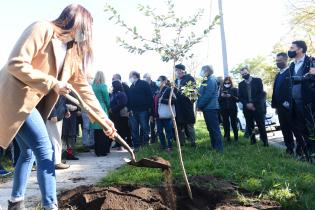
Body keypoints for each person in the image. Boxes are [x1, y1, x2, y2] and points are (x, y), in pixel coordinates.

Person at [0, 4, 116, 209]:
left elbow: (84, 90)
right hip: (16, 99)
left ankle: (15, 202)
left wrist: (104, 119)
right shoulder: (42, 29)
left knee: (27, 153)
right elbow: (16, 63)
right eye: (86, 29)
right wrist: (52, 83)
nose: (87, 35)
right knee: (46, 151)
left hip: (33, 104)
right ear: (75, 22)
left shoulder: (72, 52)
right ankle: (50, 205)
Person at [271, 52, 303, 155]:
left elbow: (292, 90)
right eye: (277, 61)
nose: (278, 62)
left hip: (290, 106)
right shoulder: (278, 75)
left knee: (295, 128)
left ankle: (302, 149)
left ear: (286, 60)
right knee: (285, 129)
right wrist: (275, 105)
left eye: (280, 60)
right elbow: (276, 91)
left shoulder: (290, 72)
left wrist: (288, 103)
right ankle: (289, 149)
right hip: (280, 108)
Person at [287, 40, 314, 157]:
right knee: (300, 129)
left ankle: (313, 153)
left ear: (300, 49)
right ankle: (305, 154)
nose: (290, 50)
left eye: (292, 48)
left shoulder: (311, 61)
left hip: (309, 103)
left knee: (311, 129)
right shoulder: (292, 65)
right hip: (294, 104)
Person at [238, 67, 268, 146]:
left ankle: (265, 142)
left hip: (257, 107)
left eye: (245, 73)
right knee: (250, 125)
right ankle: (253, 141)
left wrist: (252, 103)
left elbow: (261, 93)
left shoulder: (258, 81)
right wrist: (247, 104)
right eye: (243, 74)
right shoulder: (240, 84)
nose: (244, 75)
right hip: (247, 108)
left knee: (261, 125)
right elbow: (240, 97)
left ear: (249, 72)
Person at [197, 65, 223, 152]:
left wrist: (199, 105)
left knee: (214, 129)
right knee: (211, 128)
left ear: (207, 71)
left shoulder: (211, 80)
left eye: (202, 70)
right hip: (207, 108)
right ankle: (214, 147)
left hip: (211, 108)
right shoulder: (206, 80)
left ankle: (219, 149)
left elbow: (208, 95)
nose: (201, 72)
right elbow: (201, 93)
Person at [128, 71, 153, 151]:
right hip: (133, 111)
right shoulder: (131, 86)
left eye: (130, 76)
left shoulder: (144, 84)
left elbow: (150, 97)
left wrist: (149, 109)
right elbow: (129, 99)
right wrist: (129, 109)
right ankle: (136, 146)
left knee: (144, 128)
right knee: (134, 129)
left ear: (135, 76)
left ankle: (145, 146)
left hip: (143, 111)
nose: (129, 78)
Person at [174, 64, 196, 147]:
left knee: (190, 125)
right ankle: (182, 143)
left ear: (182, 70)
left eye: (178, 70)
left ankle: (193, 142)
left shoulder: (189, 78)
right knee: (180, 125)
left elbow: (193, 92)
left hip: (187, 105)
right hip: (178, 107)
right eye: (176, 70)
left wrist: (189, 100)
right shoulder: (175, 81)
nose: (177, 72)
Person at [90, 71, 112, 156]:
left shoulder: (92, 86)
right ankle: (103, 150)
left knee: (96, 131)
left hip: (94, 108)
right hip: (102, 108)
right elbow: (107, 99)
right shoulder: (103, 86)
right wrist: (109, 107)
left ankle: (97, 151)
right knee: (103, 129)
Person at [46, 96, 71, 169]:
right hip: (53, 117)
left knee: (57, 139)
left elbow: (61, 99)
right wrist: (53, 114)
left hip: (58, 116)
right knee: (54, 140)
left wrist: (66, 110)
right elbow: (49, 99)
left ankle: (57, 161)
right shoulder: (53, 85)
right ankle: (56, 162)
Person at [153, 76, 176, 151]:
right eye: (157, 80)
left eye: (159, 80)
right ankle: (163, 146)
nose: (157, 81)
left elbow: (175, 100)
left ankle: (170, 147)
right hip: (158, 115)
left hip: (166, 115)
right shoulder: (157, 91)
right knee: (159, 131)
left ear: (164, 81)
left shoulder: (168, 89)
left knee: (168, 131)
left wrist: (163, 101)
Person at [112, 73, 132, 146]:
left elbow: (128, 99)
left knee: (126, 127)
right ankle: (118, 143)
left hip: (124, 111)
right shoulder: (114, 89)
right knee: (118, 128)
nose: (112, 79)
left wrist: (129, 110)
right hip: (116, 112)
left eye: (113, 78)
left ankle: (128, 142)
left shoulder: (125, 87)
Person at [109, 81, 129, 150]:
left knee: (121, 130)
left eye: (113, 86)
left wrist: (113, 109)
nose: (112, 87)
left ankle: (122, 145)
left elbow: (122, 104)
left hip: (121, 115)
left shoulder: (122, 94)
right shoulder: (113, 94)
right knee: (116, 130)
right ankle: (117, 144)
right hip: (114, 115)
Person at [219, 76, 239, 142]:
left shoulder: (234, 89)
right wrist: (222, 96)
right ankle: (227, 138)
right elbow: (218, 100)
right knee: (225, 123)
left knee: (234, 123)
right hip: (224, 109)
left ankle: (236, 137)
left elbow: (238, 99)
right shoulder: (221, 90)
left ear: (231, 82)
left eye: (228, 82)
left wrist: (231, 96)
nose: (227, 84)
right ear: (223, 83)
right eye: (225, 82)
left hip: (233, 109)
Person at [62, 96, 80, 160]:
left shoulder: (73, 90)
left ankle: (70, 154)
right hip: (63, 114)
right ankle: (63, 154)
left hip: (73, 114)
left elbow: (79, 101)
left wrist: (78, 109)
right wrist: (66, 106)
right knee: (63, 135)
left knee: (71, 135)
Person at [143, 73, 159, 144]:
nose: (144, 79)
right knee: (145, 124)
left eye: (145, 78)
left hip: (154, 107)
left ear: (149, 78)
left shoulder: (155, 85)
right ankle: (146, 140)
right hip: (146, 107)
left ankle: (154, 139)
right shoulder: (144, 85)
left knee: (153, 124)